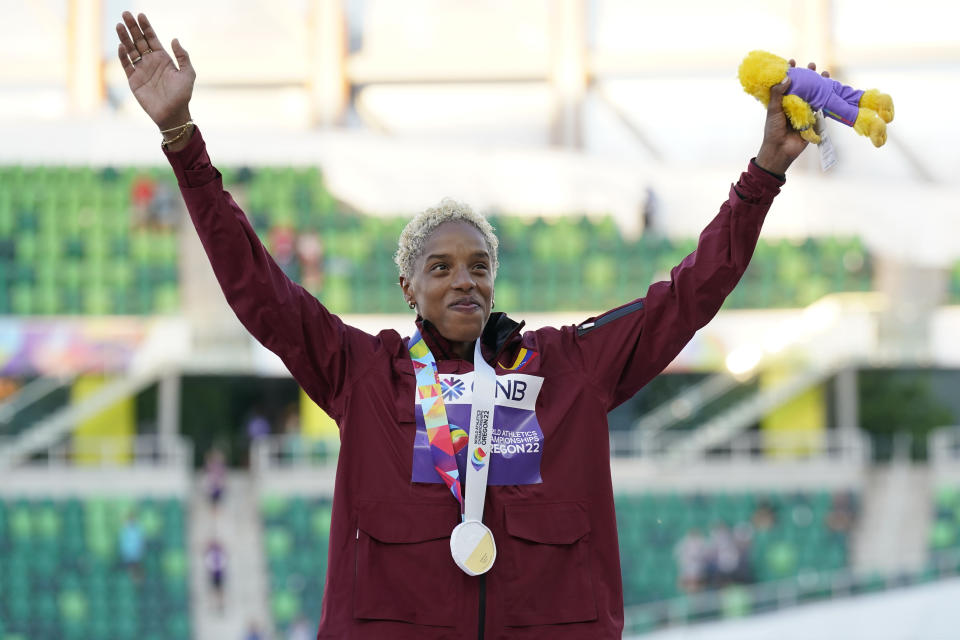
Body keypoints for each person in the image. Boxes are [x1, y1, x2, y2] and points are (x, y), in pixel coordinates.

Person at [116, 11, 827, 638]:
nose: (465, 279)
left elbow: (689, 295)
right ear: (408, 287)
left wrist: (764, 172)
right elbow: (257, 290)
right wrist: (182, 139)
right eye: (442, 267)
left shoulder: (566, 369)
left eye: (479, 265)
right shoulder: (363, 374)